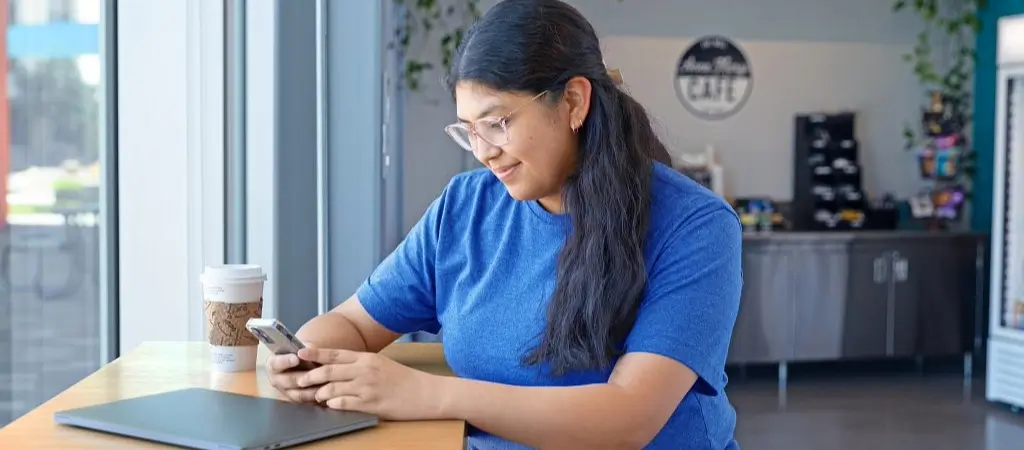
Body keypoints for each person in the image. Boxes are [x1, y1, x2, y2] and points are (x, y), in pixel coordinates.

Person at [267, 0, 742, 448]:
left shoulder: (696, 226)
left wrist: (427, 395)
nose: (483, 151)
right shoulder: (465, 206)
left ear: (574, 102)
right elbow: (352, 321)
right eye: (469, 130)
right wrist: (308, 361)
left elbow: (628, 417)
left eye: (497, 123)